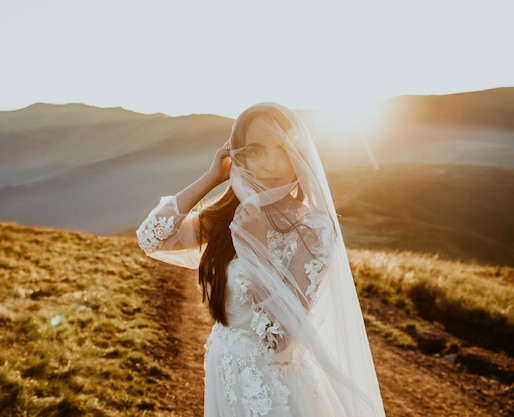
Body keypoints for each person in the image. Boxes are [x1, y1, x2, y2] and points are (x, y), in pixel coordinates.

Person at [136, 103, 386, 416]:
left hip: (274, 389)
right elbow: (151, 238)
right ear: (238, 155)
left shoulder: (313, 229)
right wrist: (211, 178)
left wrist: (255, 246)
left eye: (283, 150)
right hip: (224, 368)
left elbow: (279, 337)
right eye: (256, 151)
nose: (271, 164)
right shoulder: (229, 215)